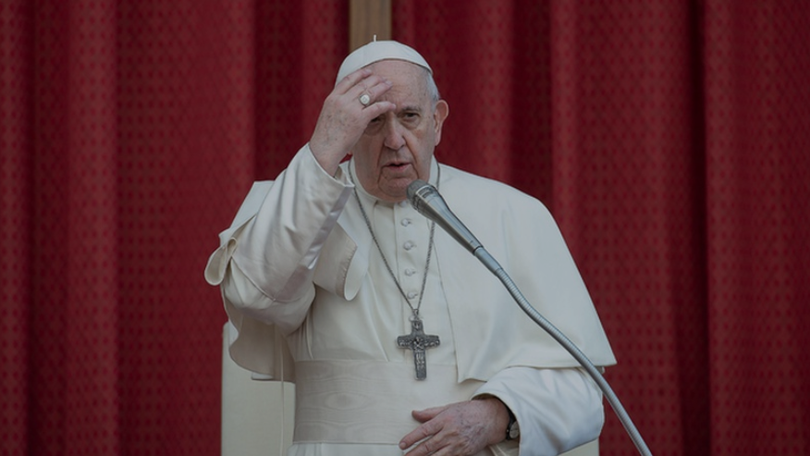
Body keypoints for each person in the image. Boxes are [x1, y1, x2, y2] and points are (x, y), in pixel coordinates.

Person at [205, 40, 616, 456]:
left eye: (410, 117)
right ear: (344, 128)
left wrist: (496, 416)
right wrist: (323, 151)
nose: (395, 140)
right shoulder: (293, 207)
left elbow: (584, 389)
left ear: (437, 121)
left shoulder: (516, 215)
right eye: (372, 122)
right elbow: (257, 295)